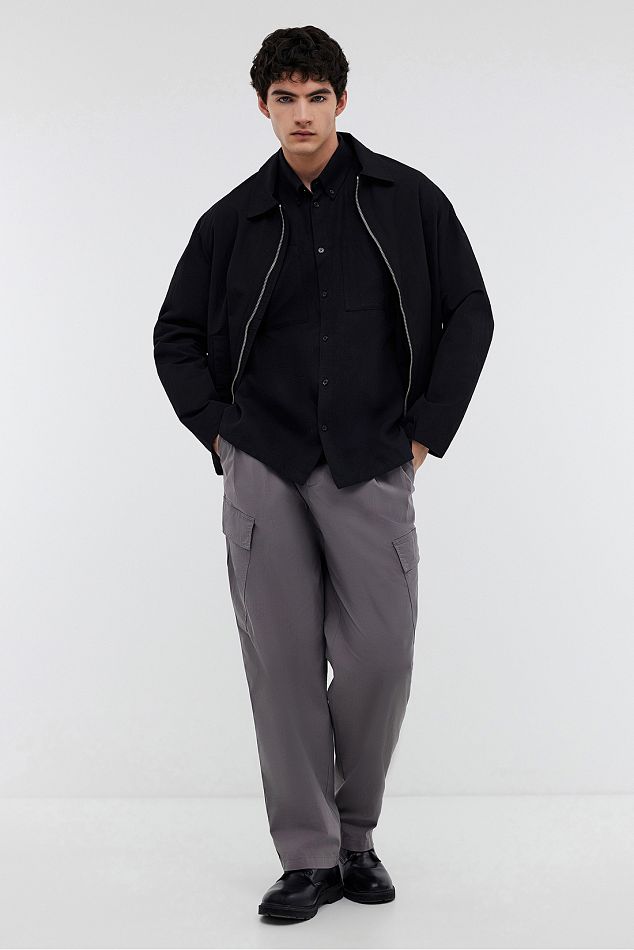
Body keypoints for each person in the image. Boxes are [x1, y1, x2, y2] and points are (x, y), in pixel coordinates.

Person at [153, 24, 494, 921]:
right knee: (282, 669)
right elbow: (174, 334)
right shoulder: (231, 220)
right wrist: (220, 436)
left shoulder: (407, 200)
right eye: (284, 98)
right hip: (262, 463)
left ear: (342, 101)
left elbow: (469, 311)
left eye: (316, 97)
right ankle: (308, 858)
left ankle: (356, 835)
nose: (301, 114)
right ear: (262, 106)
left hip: (371, 459)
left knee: (381, 656)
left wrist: (427, 432)